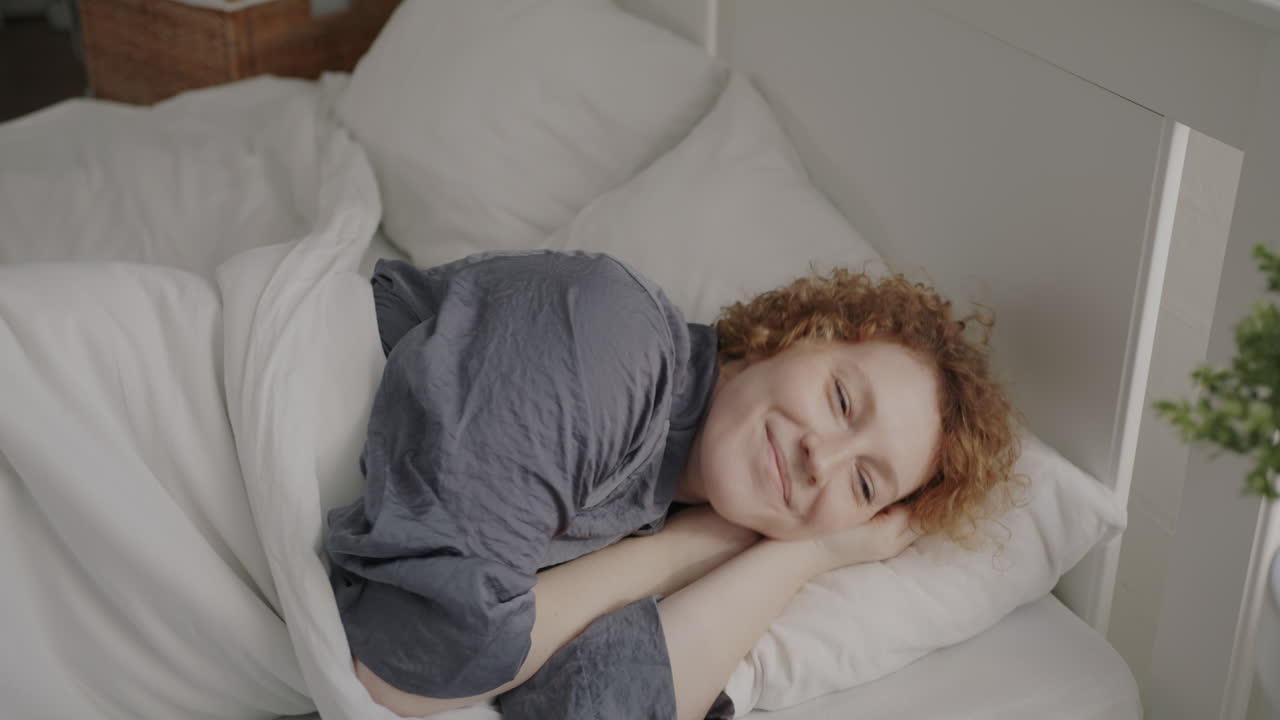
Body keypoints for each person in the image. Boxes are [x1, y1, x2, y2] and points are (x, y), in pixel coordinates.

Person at [325, 250, 1019, 720]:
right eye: (841, 400)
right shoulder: (613, 340)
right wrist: (688, 548)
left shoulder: (666, 501)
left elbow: (592, 709)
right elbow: (404, 661)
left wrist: (803, 557)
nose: (821, 459)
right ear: (793, 334)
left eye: (864, 484)